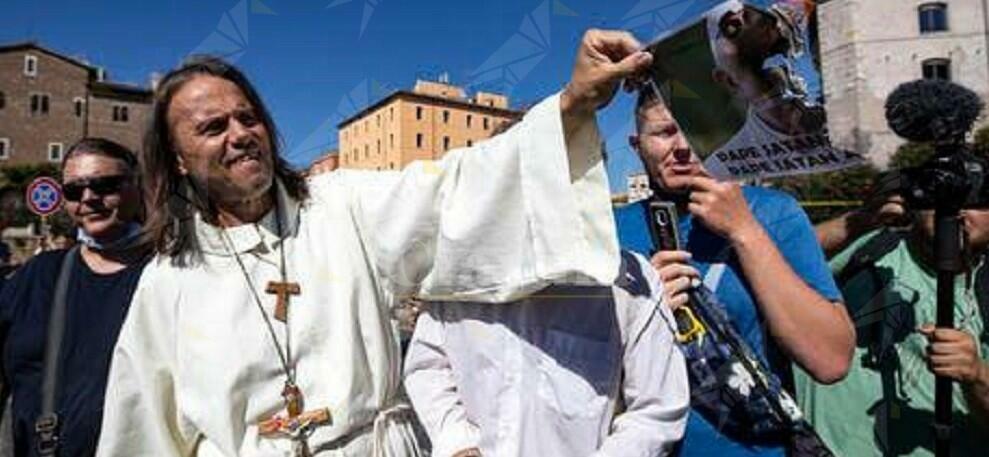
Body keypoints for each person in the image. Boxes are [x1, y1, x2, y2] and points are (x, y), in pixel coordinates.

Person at [96, 29, 652, 456]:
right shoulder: (168, 282)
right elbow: (142, 428)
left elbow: (456, 188)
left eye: (248, 118)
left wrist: (572, 105)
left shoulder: (341, 205)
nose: (240, 134)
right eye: (213, 127)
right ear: (177, 159)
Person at [614, 89, 854, 456]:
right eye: (664, 132)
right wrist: (638, 310)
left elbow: (831, 360)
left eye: (695, 129)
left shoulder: (775, 213)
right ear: (637, 144)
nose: (682, 147)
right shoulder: (609, 229)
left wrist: (744, 231)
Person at [404, 249, 690, 456]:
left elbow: (657, 409)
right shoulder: (456, 276)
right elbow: (427, 366)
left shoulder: (627, 285)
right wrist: (457, 442)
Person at [798, 205, 989, 456]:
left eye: (978, 199)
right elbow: (770, 256)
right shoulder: (871, 245)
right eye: (945, 189)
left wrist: (976, 376)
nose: (957, 208)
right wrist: (860, 219)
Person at [0, 138, 149, 457]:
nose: (89, 198)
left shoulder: (168, 275)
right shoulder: (41, 274)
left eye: (105, 185)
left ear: (137, 187)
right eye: (73, 191)